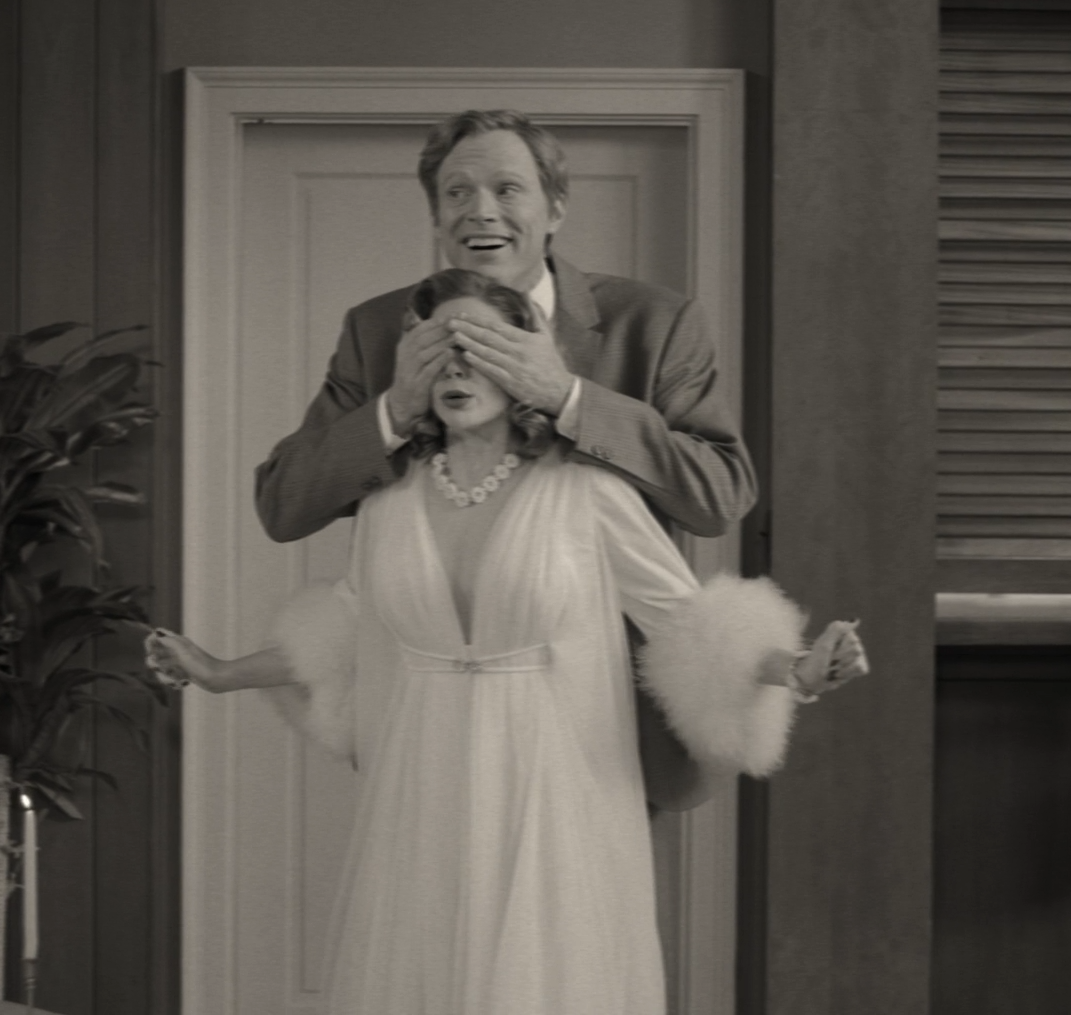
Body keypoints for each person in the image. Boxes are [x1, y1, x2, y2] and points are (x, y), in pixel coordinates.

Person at [149, 269, 867, 1015]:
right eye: (438, 350)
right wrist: (218, 672)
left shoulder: (589, 490)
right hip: (423, 784)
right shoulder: (388, 500)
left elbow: (688, 624)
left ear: (526, 362)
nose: (456, 368)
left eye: (479, 347)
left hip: (555, 784)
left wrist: (798, 669)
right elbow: (347, 630)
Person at [253, 109, 759, 810]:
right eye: (457, 192)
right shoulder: (377, 330)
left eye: (507, 188)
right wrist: (395, 408)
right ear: (436, 215)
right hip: (426, 727)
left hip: (608, 732)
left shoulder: (654, 323)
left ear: (556, 208)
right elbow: (283, 504)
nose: (480, 211)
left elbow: (720, 494)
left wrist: (569, 398)